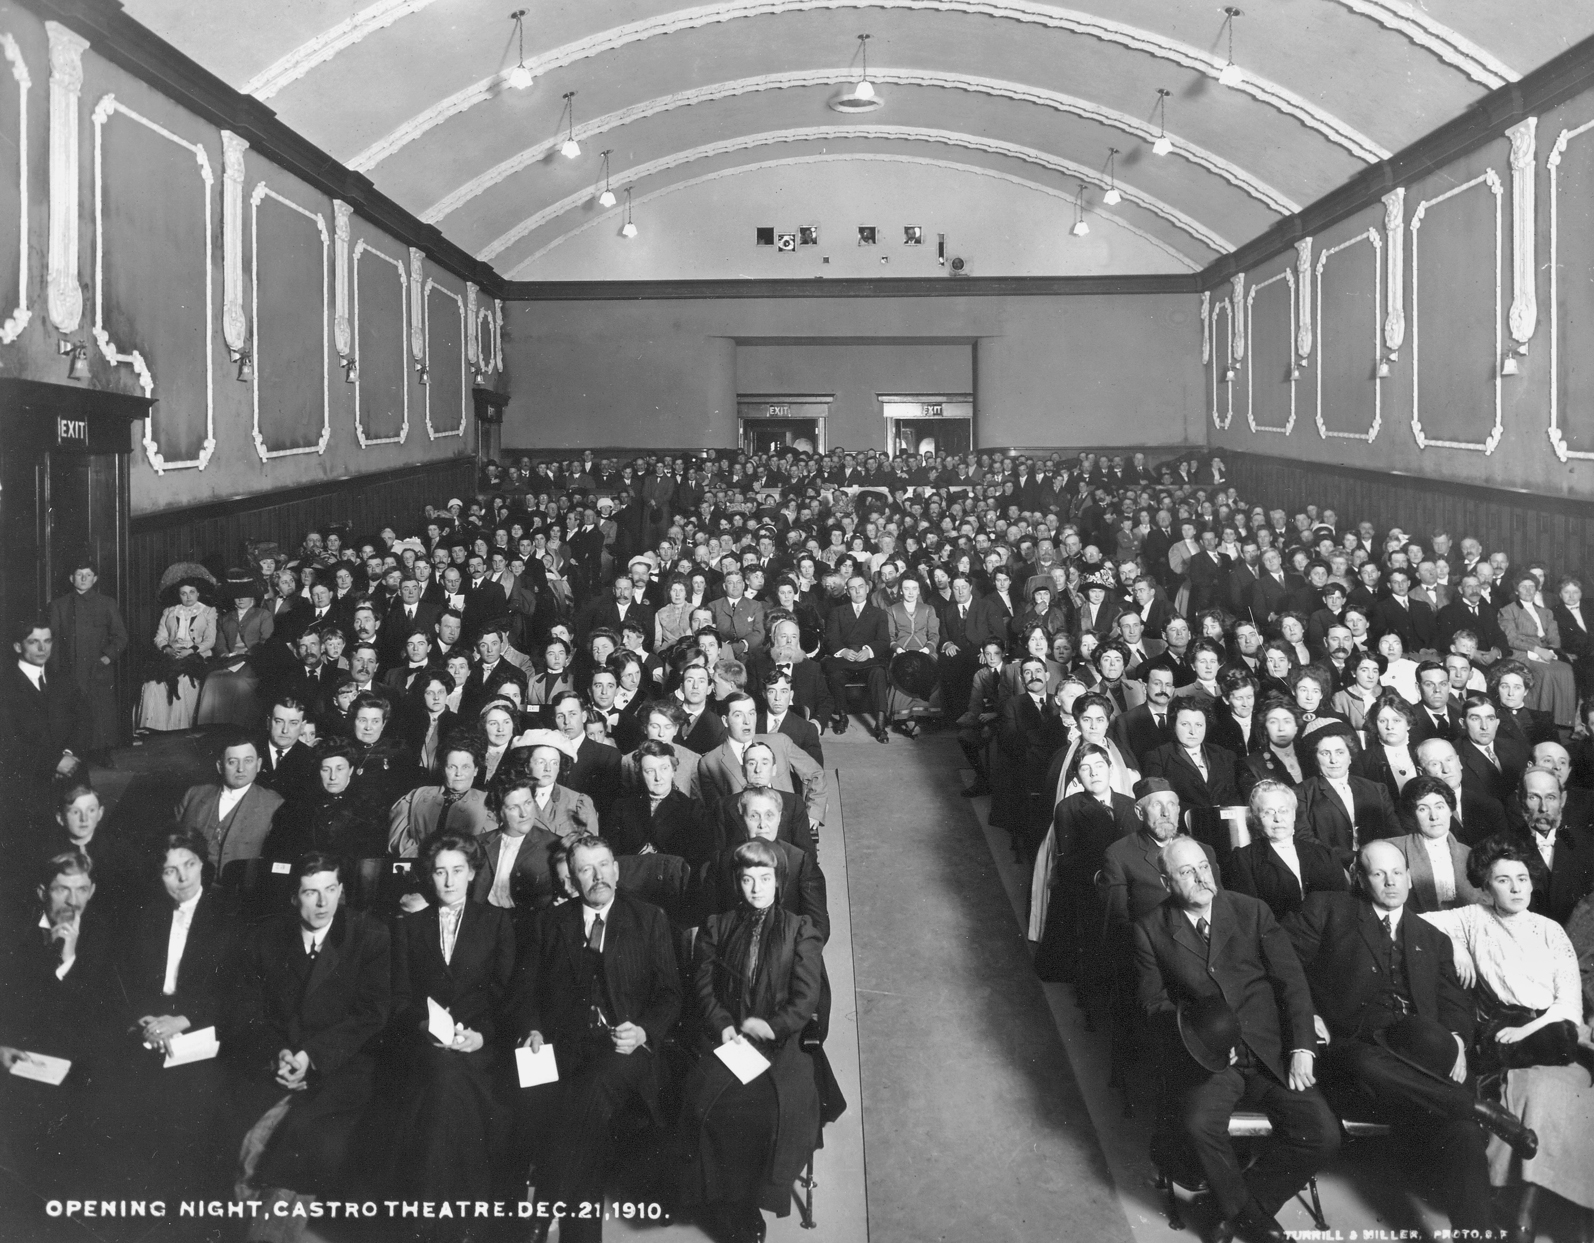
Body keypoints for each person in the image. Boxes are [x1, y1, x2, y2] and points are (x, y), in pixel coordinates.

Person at [1283, 841, 1535, 1234]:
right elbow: (1281, 967)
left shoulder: (1432, 937)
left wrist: (1455, 1041)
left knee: (1462, 1131)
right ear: (1360, 879)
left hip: (1420, 1056)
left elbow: (1456, 1008)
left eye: (1398, 873)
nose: (1390, 882)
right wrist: (1308, 1014)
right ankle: (1477, 1108)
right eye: (1378, 874)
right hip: (1352, 1053)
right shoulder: (1328, 910)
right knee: (1364, 1062)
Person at [1132, 836, 1339, 1243]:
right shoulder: (1150, 929)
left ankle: (1236, 1213)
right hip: (1210, 1059)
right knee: (1197, 1124)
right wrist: (1197, 1040)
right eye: (1186, 872)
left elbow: (1291, 984)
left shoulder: (1251, 911)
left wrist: (1302, 1048)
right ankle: (1255, 1225)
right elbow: (1151, 1007)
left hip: (1271, 1050)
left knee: (1322, 1133)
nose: (1200, 877)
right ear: (1165, 880)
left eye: (1204, 867)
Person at [1418, 839, 1594, 1242]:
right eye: (1503, 880)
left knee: (1563, 1093)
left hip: (1554, 1035)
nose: (1516, 888)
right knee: (1540, 1090)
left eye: (1522, 878)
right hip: (1503, 1042)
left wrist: (1529, 1031)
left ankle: (1528, 1216)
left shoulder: (1550, 930)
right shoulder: (1472, 918)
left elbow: (1567, 1005)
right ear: (1485, 886)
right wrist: (1456, 944)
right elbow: (1410, 921)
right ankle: (1530, 1218)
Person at [511, 835, 681, 1243]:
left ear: (617, 870)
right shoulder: (550, 922)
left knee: (587, 1093)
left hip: (625, 1049)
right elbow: (526, 990)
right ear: (572, 878)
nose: (597, 876)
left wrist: (643, 1030)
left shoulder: (648, 918)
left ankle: (544, 1209)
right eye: (586, 869)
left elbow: (671, 994)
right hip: (564, 1046)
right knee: (580, 1109)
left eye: (604, 865)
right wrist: (532, 1028)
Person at [227, 851, 392, 1213]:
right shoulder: (264, 938)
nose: (322, 903)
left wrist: (311, 1057)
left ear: (341, 890)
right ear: (292, 897)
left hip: (341, 1064)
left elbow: (371, 1015)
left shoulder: (370, 935)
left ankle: (271, 1233)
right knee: (242, 1139)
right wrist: (281, 1055)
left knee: (304, 1143)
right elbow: (248, 1015)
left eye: (330, 890)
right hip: (278, 1059)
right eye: (310, 893)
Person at [678, 837, 825, 1243]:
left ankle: (746, 1207)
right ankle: (725, 1202)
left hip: (782, 1045)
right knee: (703, 1104)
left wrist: (773, 1026)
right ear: (737, 883)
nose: (757, 888)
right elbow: (704, 986)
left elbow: (806, 997)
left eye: (765, 878)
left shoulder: (801, 930)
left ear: (778, 881)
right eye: (747, 880)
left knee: (763, 1116)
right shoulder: (717, 926)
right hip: (729, 1041)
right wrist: (724, 1023)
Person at [386, 830, 515, 1203]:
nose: (449, 880)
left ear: (472, 873)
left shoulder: (496, 922)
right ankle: (445, 1212)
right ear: (430, 875)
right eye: (440, 872)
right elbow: (399, 999)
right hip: (424, 1042)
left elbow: (506, 997)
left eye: (457, 870)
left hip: (482, 1044)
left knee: (449, 1082)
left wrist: (482, 1036)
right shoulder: (409, 927)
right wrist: (423, 1025)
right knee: (441, 1076)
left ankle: (445, 1210)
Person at [115, 829, 236, 1192]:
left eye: (190, 865)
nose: (183, 878)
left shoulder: (228, 913)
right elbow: (125, 978)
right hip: (151, 1020)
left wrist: (182, 1020)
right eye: (171, 870)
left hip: (201, 1025)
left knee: (188, 1107)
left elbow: (235, 990)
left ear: (203, 865)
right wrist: (141, 1017)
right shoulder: (144, 913)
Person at [1225, 780, 1348, 922]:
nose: (1278, 818)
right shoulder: (1244, 859)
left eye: (1284, 811)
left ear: (1294, 814)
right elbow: (1248, 918)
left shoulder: (1324, 854)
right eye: (1268, 812)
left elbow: (1341, 909)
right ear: (1257, 819)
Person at [46, 559, 128, 763]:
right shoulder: (58, 605)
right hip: (69, 671)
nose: (83, 578)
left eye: (88, 575)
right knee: (72, 713)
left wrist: (107, 658)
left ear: (95, 579)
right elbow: (52, 640)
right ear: (71, 578)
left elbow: (120, 637)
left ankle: (103, 753)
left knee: (100, 712)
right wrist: (55, 671)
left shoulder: (106, 603)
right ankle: (74, 754)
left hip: (97, 669)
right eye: (79, 574)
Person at [175, 731, 286, 874]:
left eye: (248, 761)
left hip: (239, 891)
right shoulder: (194, 795)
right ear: (220, 766)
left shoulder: (273, 804)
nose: (241, 769)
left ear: (258, 765)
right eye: (232, 762)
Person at [1291, 722, 1398, 868]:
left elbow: (1395, 833)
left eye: (1340, 752)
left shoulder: (1376, 789)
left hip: (1378, 865)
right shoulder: (1301, 793)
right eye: (1325, 753)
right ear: (1316, 758)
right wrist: (1352, 859)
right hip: (1329, 867)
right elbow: (1305, 839)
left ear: (1350, 756)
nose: (1333, 760)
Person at [388, 735, 495, 857]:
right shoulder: (416, 796)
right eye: (452, 767)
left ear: (475, 770)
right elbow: (396, 841)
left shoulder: (487, 803)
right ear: (443, 769)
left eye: (465, 767)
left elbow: (486, 849)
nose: (458, 773)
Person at [1389, 775, 1484, 912]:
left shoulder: (1469, 854)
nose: (1434, 816)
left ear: (1450, 810)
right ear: (1412, 814)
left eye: (1439, 807)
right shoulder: (1395, 850)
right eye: (1423, 809)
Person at [138, 577, 216, 732]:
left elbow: (210, 639)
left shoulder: (208, 611)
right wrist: (167, 649)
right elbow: (159, 637)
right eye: (183, 593)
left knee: (183, 680)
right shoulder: (170, 612)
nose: (188, 597)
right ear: (179, 595)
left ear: (198, 593)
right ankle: (154, 726)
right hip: (172, 654)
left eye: (191, 592)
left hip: (197, 655)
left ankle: (179, 727)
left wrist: (192, 650)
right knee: (154, 681)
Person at [196, 574, 275, 727]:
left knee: (239, 682)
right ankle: (212, 724)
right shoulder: (225, 617)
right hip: (229, 659)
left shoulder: (262, 615)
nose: (240, 599)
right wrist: (225, 654)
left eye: (244, 595)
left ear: (252, 596)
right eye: (237, 596)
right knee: (212, 679)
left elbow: (267, 641)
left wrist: (249, 654)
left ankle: (239, 724)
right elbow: (220, 642)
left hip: (253, 660)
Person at [821, 573, 892, 741]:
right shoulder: (836, 612)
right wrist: (843, 651)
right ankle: (842, 717)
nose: (857, 591)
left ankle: (880, 723)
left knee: (879, 673)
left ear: (867, 589)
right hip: (845, 659)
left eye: (861, 587)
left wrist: (869, 651)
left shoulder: (879, 614)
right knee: (834, 675)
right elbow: (830, 639)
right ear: (847, 592)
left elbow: (883, 640)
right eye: (853, 588)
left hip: (869, 660)